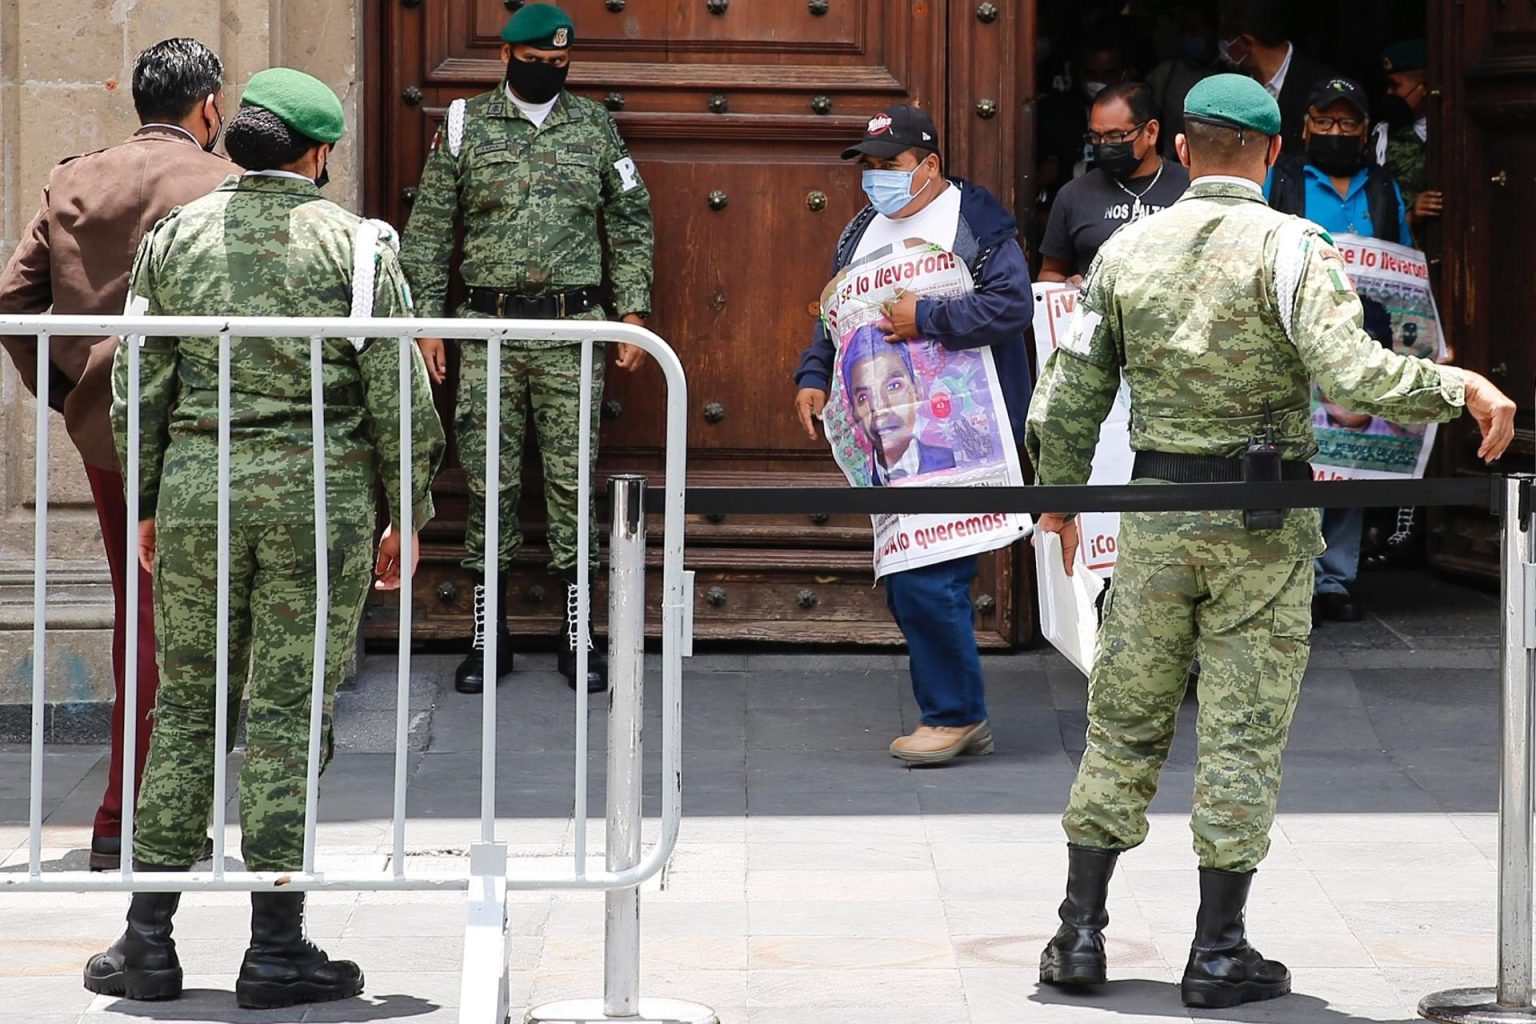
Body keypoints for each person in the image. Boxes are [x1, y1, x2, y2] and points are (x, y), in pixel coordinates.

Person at [1026, 74, 1514, 1009]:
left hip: (1157, 516)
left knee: (1124, 720)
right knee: (1241, 736)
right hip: (1260, 528)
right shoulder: (1295, 246)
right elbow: (1350, 371)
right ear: (1274, 152)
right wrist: (1460, 388)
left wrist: (1056, 494)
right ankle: (1218, 953)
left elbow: (1072, 382)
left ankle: (1076, 937)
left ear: (1178, 150)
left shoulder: (1127, 248)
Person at [82, 68, 446, 1009]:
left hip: (200, 487)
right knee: (288, 712)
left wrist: (152, 493)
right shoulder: (357, 247)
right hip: (316, 497)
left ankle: (147, 942)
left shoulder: (174, 238)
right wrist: (406, 506)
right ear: (318, 153)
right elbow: (395, 393)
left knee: (190, 708)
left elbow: (141, 384)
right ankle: (276, 947)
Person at [0, 38, 236, 873]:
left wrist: (71, 397)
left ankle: (125, 815)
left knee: (143, 611)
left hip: (111, 433)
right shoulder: (226, 184)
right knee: (191, 622)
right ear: (209, 106)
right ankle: (139, 818)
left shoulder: (75, 178)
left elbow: (14, 297)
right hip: (211, 430)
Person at [401, 2, 654, 695]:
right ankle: (490, 633)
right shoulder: (463, 126)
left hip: (575, 332)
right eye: (537, 63)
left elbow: (630, 217)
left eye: (560, 64)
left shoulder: (594, 126)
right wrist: (427, 321)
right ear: (506, 58)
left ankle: (580, 630)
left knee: (575, 480)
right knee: (490, 481)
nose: (549, 73)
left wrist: (632, 308)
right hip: (488, 333)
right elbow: (429, 230)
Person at [793, 104, 1034, 765]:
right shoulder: (858, 233)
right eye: (867, 167)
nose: (876, 179)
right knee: (909, 573)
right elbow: (834, 315)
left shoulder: (974, 221)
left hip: (968, 437)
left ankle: (953, 717)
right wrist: (813, 373)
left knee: (928, 575)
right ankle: (957, 713)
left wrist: (926, 315)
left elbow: (1012, 307)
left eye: (890, 165)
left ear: (928, 165)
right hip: (894, 444)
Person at [1265, 75, 1413, 624]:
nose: (1334, 130)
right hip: (1295, 338)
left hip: (1362, 338)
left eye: (1347, 122)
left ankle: (1335, 579)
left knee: (1347, 460)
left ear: (1364, 130)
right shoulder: (1282, 180)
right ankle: (1293, 576)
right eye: (1324, 121)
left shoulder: (1382, 187)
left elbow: (1406, 267)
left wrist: (1420, 340)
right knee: (1298, 455)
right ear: (1305, 126)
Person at [1039, 81, 1190, 283]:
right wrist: (1065, 286)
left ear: (1151, 132)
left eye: (1115, 136)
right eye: (1095, 137)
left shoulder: (1190, 187)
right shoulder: (1073, 195)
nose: (1103, 146)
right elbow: (1050, 273)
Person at [839, 325, 956, 483]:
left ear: (917, 390)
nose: (879, 407)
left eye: (893, 386)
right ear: (853, 411)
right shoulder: (856, 477)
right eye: (863, 397)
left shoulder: (952, 462)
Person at [1216, 0, 1336, 150]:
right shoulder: (1229, 85)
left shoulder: (1324, 88)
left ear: (1246, 42)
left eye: (1225, 39)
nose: (1221, 47)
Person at [1035, 35, 1131, 210]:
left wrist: (1065, 171)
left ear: (1124, 74)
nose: (1098, 81)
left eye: (1107, 74)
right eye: (1091, 74)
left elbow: (1131, 166)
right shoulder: (1055, 112)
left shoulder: (1138, 114)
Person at [1375, 40, 1441, 237]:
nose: (1390, 93)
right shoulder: (1383, 136)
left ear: (1424, 88)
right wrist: (1413, 213)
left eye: (1396, 86)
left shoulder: (1453, 131)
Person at [1147, 2, 1220, 154]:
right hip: (1171, 162)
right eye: (1185, 30)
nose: (1190, 36)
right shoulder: (1164, 75)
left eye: (1195, 30)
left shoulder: (1230, 74)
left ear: (1212, 32)